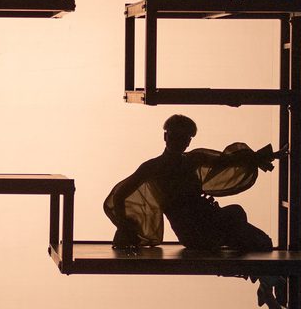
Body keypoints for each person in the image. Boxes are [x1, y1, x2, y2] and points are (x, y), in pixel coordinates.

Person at [103, 115, 283, 307]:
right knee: (238, 221)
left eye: (185, 138)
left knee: (261, 240)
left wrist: (264, 156)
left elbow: (229, 161)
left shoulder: (194, 159)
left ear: (189, 140)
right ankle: (265, 279)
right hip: (192, 232)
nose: (180, 141)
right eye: (175, 136)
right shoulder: (153, 167)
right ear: (166, 137)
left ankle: (265, 285)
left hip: (210, 220)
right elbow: (120, 194)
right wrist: (126, 225)